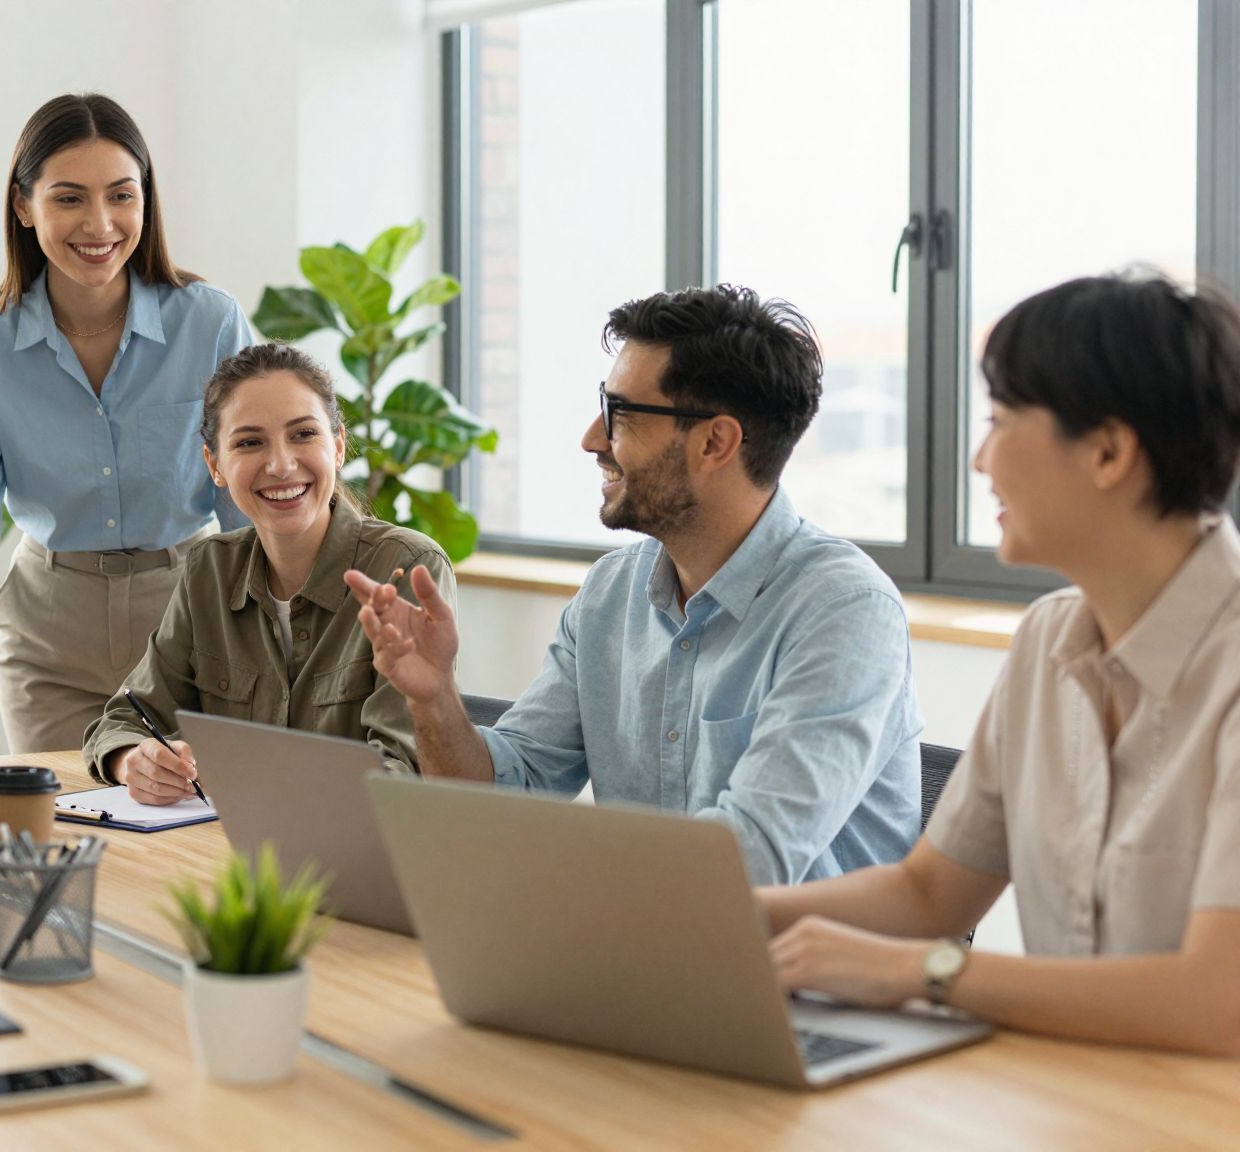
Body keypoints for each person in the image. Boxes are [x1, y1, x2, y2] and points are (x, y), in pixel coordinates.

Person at [762, 272, 1240, 1056]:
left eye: (1000, 421)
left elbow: (1218, 1001)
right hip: (1069, 1105)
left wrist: (925, 973)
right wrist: (705, 913)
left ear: (1110, 451)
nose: (981, 460)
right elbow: (929, 894)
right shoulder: (1049, 643)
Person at [349, 285, 921, 886]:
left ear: (715, 442)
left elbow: (750, 863)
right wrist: (434, 698)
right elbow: (504, 787)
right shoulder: (611, 593)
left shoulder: (843, 610)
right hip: (648, 946)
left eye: (621, 413)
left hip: (804, 972)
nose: (593, 438)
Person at [0, 92, 253, 759]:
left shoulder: (209, 321)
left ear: (145, 200)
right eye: (69, 198)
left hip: (189, 624)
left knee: (191, 840)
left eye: (121, 196)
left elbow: (246, 507)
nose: (99, 223)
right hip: (49, 637)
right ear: (24, 205)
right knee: (64, 837)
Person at [82, 343, 454, 801]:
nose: (280, 465)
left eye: (303, 435)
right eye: (249, 442)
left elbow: (406, 768)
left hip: (356, 856)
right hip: (220, 852)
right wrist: (133, 762)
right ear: (215, 465)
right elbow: (125, 719)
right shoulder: (210, 570)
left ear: (337, 447)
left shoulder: (407, 569)